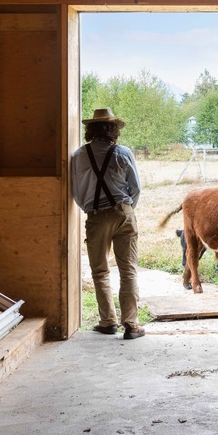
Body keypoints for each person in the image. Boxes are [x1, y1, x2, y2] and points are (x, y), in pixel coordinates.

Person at [71, 108, 145, 340]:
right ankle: (131, 325)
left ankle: (107, 321)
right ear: (113, 130)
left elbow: (76, 192)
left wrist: (91, 209)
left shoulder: (78, 155)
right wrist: (126, 208)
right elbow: (136, 187)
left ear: (89, 130)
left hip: (95, 215)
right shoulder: (123, 153)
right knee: (128, 270)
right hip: (123, 212)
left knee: (100, 271)